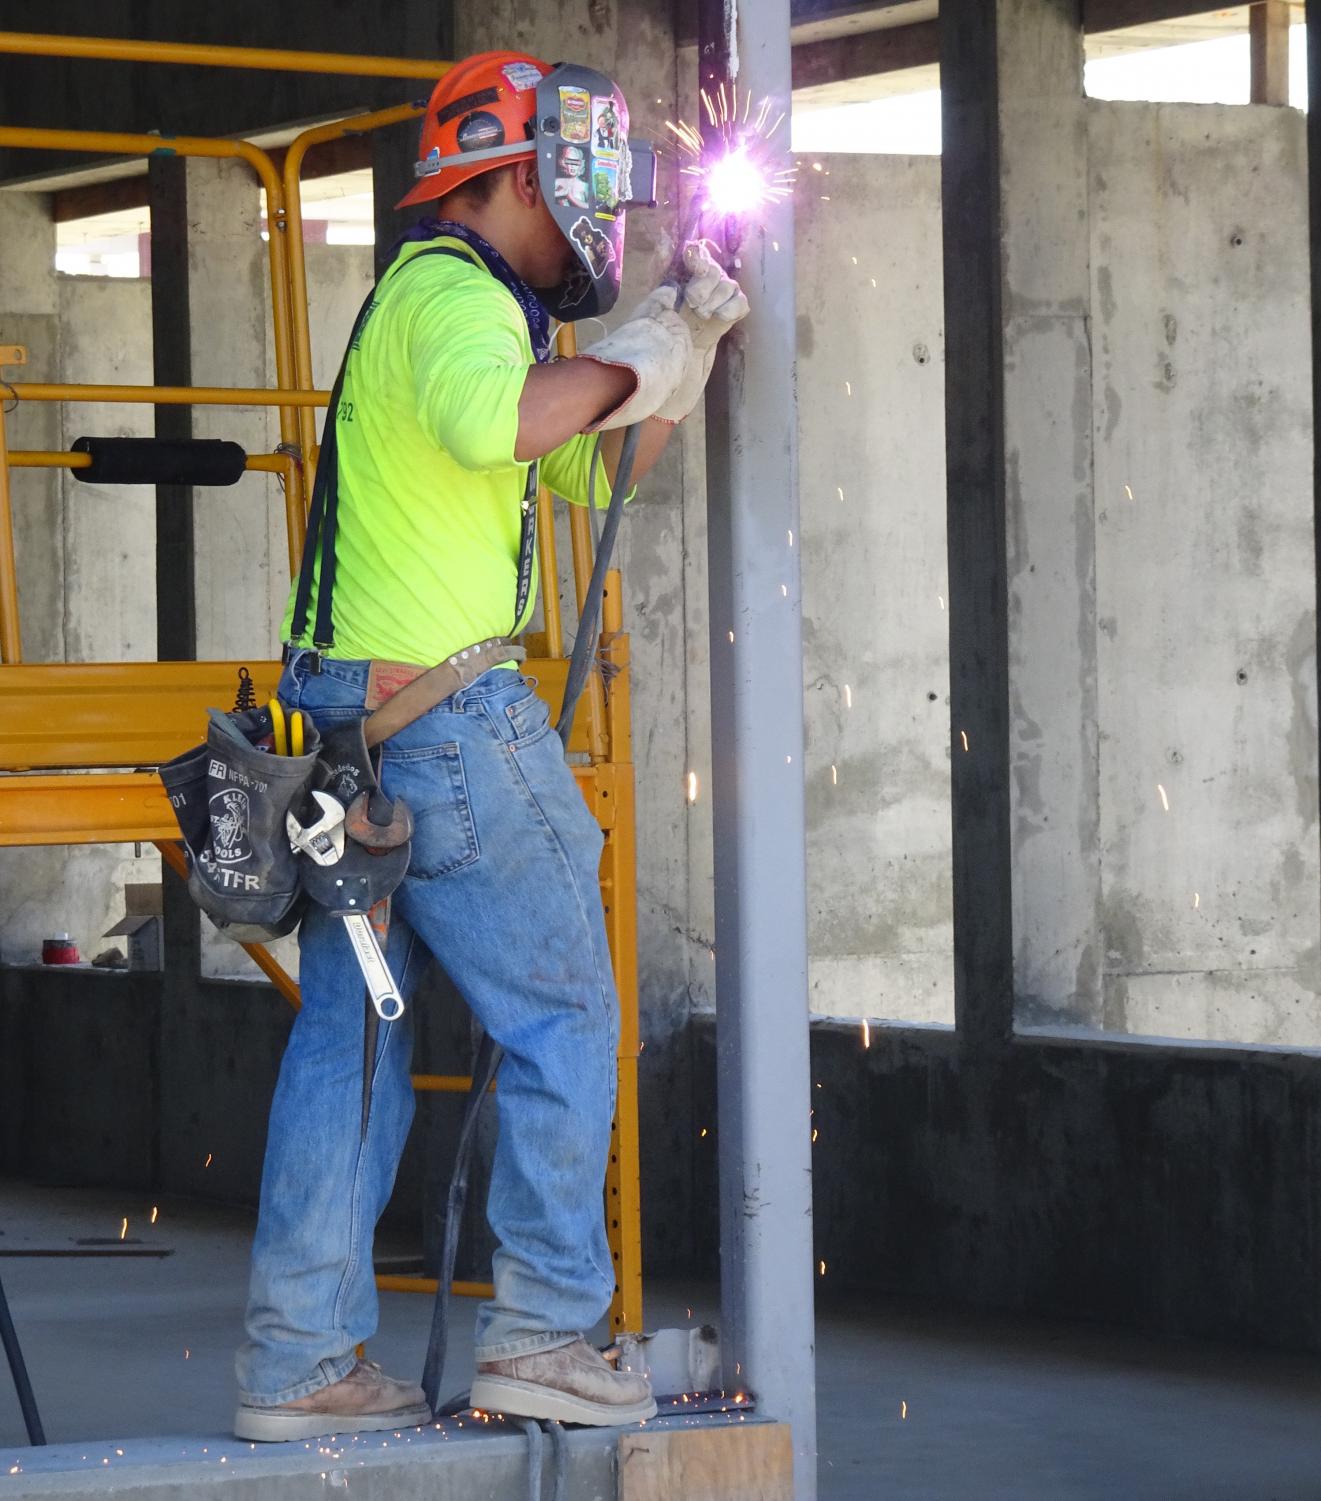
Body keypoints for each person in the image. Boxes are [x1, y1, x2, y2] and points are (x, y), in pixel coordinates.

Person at [231, 51, 747, 1441]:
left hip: (356, 733)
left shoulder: (435, 301)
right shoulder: (458, 296)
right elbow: (499, 418)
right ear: (521, 176)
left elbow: (586, 460)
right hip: (450, 726)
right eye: (586, 193)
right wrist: (637, 351)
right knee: (564, 1014)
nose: (602, 224)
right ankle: (546, 1332)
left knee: (353, 1042)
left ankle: (297, 1360)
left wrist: (672, 353)